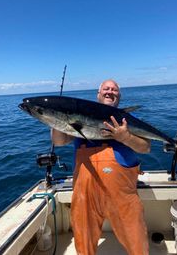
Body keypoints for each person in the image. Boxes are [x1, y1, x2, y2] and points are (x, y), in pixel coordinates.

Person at [52, 79, 150, 255]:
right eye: (106, 88)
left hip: (122, 194)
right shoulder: (80, 117)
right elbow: (59, 142)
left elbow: (146, 147)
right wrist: (56, 116)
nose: (109, 91)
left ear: (119, 96)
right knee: (84, 243)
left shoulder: (127, 122)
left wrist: (126, 138)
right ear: (98, 94)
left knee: (136, 241)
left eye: (114, 90)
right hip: (85, 194)